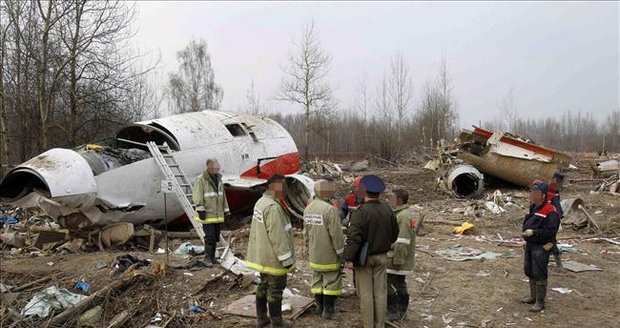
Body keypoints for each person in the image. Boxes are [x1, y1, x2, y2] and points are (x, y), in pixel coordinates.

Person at [343, 175, 399, 328]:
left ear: (364, 191)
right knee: (380, 293)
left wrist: (348, 259)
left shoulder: (361, 212)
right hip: (382, 257)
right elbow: (394, 234)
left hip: (364, 259)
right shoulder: (388, 210)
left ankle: (369, 325)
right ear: (379, 193)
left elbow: (354, 238)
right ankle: (379, 324)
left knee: (366, 294)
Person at [246, 174, 296, 328]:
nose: (285, 190)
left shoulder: (261, 202)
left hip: (262, 255)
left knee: (264, 285)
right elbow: (278, 237)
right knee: (275, 289)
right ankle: (277, 321)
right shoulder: (273, 208)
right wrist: (287, 260)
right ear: (272, 187)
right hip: (274, 258)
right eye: (282, 187)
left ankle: (261, 318)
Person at [303, 177, 345, 320]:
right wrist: (341, 253)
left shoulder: (308, 208)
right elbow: (336, 235)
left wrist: (307, 248)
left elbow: (306, 232)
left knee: (317, 280)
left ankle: (319, 306)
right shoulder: (329, 210)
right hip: (329, 255)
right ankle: (328, 310)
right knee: (331, 281)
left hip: (315, 253)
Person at [521, 181, 560, 312]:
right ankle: (532, 297)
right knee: (529, 269)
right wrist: (526, 237)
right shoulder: (534, 207)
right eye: (533, 192)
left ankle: (540, 302)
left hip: (542, 246)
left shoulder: (551, 211)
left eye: (536, 193)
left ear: (543, 195)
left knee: (539, 272)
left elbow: (551, 232)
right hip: (531, 244)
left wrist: (534, 232)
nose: (533, 195)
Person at [386, 189, 423, 322]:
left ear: (399, 200)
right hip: (398, 257)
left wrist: (398, 260)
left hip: (396, 258)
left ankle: (394, 310)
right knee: (399, 283)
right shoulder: (403, 214)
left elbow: (402, 241)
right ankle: (401, 310)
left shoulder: (403, 216)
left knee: (387, 283)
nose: (388, 200)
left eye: (391, 198)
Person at [192, 158, 229, 267]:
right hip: (207, 214)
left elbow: (223, 196)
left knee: (216, 236)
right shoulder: (201, 179)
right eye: (215, 166)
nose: (217, 168)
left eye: (218, 166)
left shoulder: (219, 179)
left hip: (217, 215)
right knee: (210, 236)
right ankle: (207, 258)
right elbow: (197, 195)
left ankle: (212, 258)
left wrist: (226, 211)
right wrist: (200, 208)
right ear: (208, 166)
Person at [548, 172, 565, 271]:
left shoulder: (553, 192)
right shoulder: (553, 191)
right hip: (549, 219)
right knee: (550, 241)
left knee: (551, 241)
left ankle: (559, 265)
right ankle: (558, 265)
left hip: (550, 220)